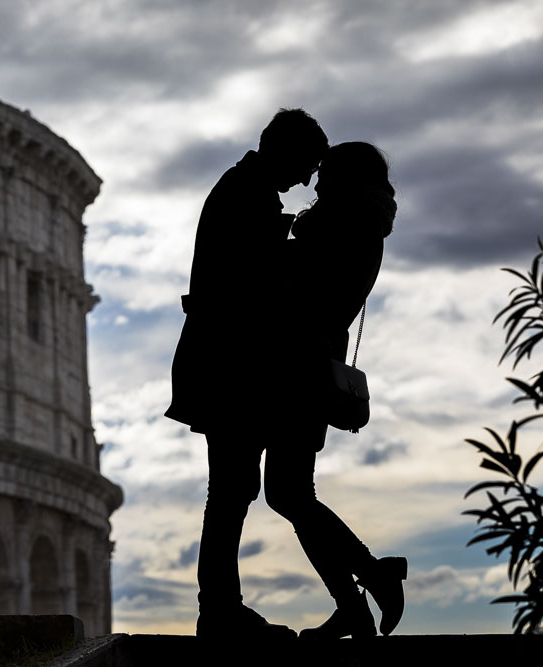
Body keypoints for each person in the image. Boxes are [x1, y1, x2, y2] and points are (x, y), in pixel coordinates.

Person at [164, 108, 329, 640]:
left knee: (233, 488)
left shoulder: (243, 191)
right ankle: (219, 610)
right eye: (306, 165)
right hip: (230, 368)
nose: (306, 180)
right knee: (231, 489)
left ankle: (221, 608)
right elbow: (258, 286)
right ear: (283, 151)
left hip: (226, 365)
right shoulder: (246, 195)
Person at [269, 141, 406, 639]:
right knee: (290, 492)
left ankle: (371, 579)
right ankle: (356, 599)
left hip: (298, 368)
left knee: (287, 492)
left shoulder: (339, 223)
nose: (317, 181)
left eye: (326, 172)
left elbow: (300, 288)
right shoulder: (366, 224)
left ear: (345, 178)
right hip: (312, 364)